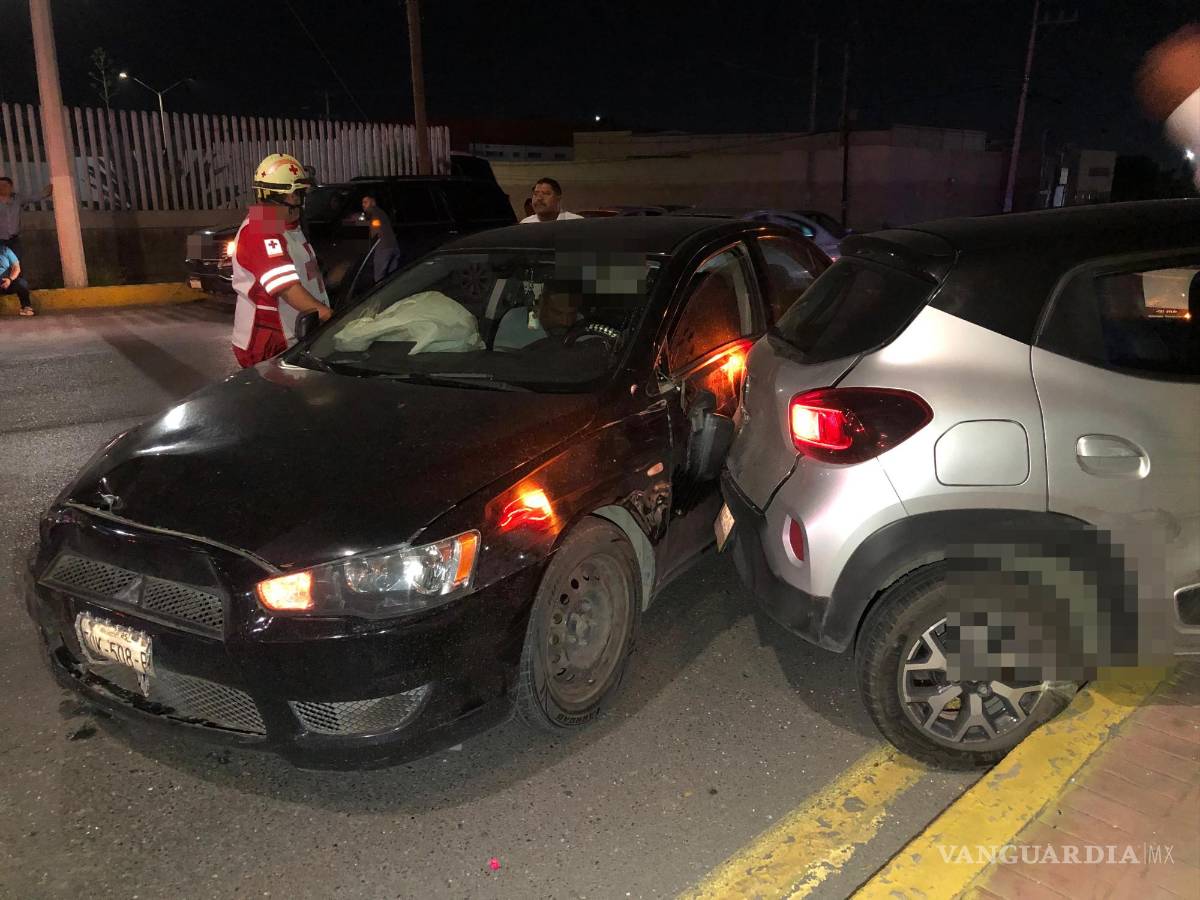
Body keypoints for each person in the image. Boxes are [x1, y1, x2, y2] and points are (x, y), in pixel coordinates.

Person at [230, 153, 331, 368]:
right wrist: (328, 317)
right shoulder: (261, 227)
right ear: (275, 196)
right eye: (296, 195)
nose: (300, 202)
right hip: (270, 344)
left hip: (293, 336)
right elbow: (286, 288)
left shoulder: (287, 227)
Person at [361, 194, 402, 282]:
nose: (363, 204)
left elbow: (376, 230)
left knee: (379, 277)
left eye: (365, 202)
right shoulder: (380, 212)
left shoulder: (375, 214)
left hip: (384, 248)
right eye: (362, 202)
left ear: (373, 202)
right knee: (392, 276)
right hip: (393, 247)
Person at [0, 243, 34, 316]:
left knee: (22, 283)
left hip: (6, 282)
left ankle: (26, 307)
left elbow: (16, 267)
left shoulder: (6, 250)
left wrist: (10, 279)